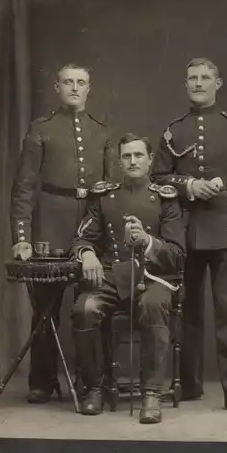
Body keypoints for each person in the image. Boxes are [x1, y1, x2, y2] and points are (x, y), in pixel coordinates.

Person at [151, 57, 227, 414]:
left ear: (218, 83)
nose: (198, 83)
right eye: (192, 78)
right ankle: (188, 386)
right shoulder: (173, 131)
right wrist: (189, 185)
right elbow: (158, 178)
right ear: (185, 85)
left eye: (205, 78)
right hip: (186, 232)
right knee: (187, 312)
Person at [10, 63, 115, 404]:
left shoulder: (102, 133)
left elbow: (111, 190)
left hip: (91, 228)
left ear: (89, 88)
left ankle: (91, 382)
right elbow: (24, 187)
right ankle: (42, 381)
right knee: (45, 309)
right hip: (50, 225)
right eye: (68, 82)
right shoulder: (41, 129)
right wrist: (22, 237)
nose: (74, 87)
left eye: (81, 82)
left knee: (92, 303)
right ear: (57, 87)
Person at [70, 133, 186, 423]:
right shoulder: (104, 197)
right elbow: (81, 238)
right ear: (119, 161)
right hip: (112, 276)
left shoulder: (166, 199)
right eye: (126, 156)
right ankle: (95, 387)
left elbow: (177, 255)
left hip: (155, 277)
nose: (132, 161)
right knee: (84, 308)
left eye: (138, 155)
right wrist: (87, 254)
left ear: (149, 160)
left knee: (153, 306)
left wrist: (147, 240)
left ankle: (151, 394)